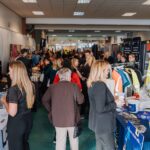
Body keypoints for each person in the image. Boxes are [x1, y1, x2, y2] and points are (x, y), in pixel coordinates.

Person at [42, 68, 84, 150]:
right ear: (69, 77)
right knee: (74, 140)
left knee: (60, 141)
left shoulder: (53, 87)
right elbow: (81, 101)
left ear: (59, 76)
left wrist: (51, 110)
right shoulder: (74, 86)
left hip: (58, 118)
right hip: (72, 119)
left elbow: (44, 100)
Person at [1, 61, 35, 150]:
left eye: (10, 71)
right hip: (28, 120)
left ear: (16, 73)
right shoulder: (30, 86)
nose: (8, 73)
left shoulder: (13, 89)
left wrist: (4, 101)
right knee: (24, 145)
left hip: (17, 123)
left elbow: (12, 113)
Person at [87, 60, 116, 150]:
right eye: (106, 70)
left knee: (100, 147)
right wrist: (115, 104)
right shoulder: (100, 85)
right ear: (100, 71)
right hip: (104, 125)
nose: (108, 72)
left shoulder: (92, 84)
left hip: (98, 124)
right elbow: (100, 108)